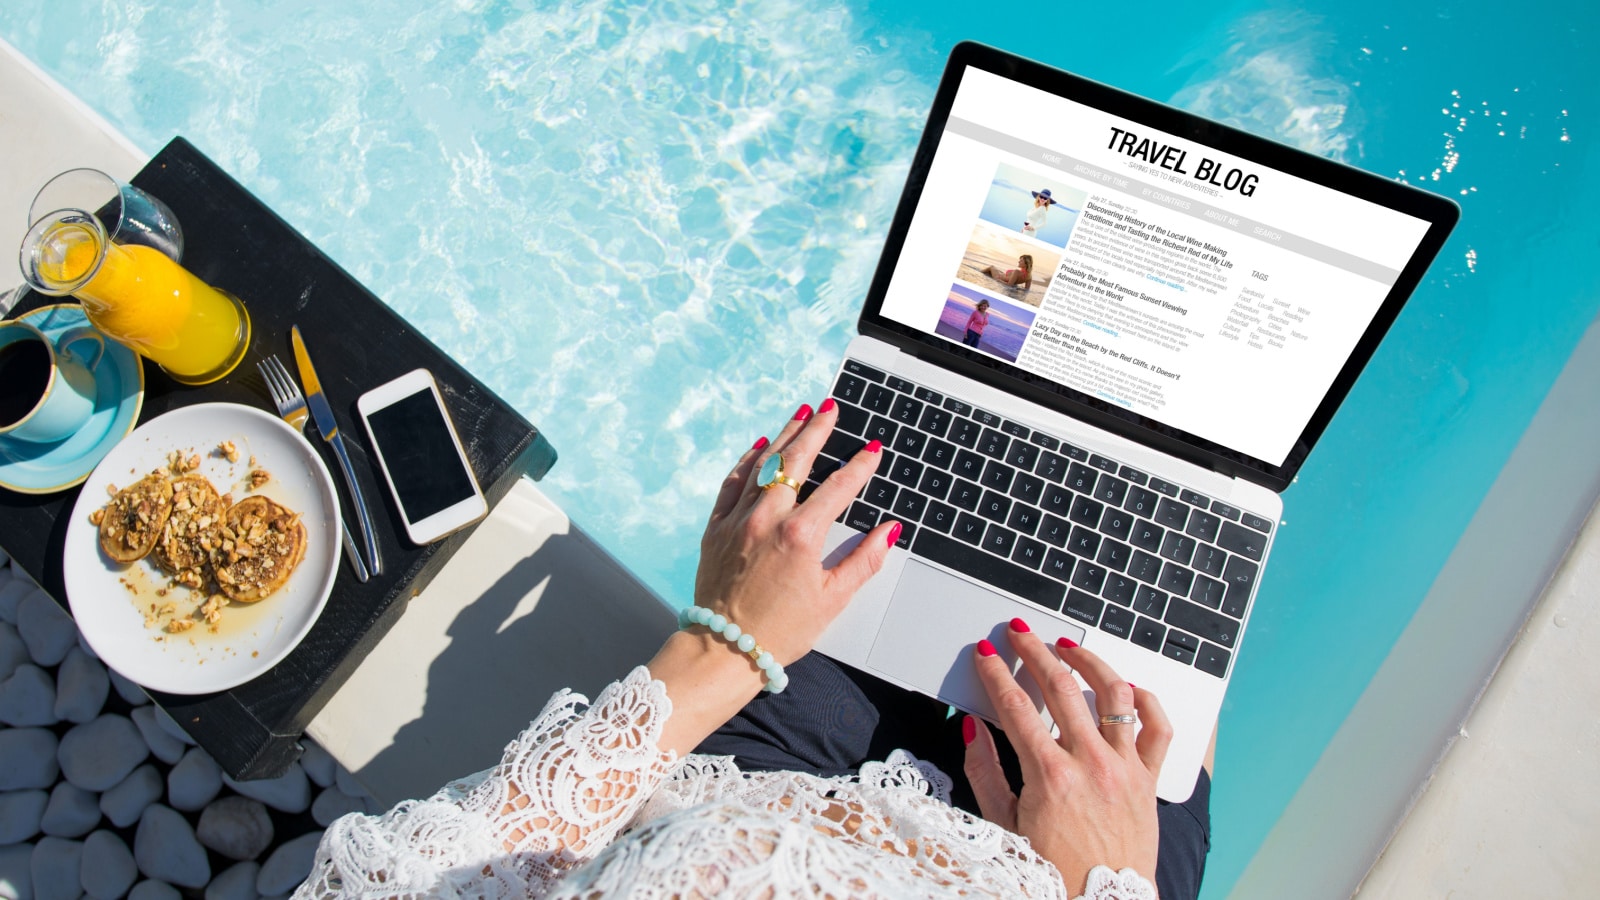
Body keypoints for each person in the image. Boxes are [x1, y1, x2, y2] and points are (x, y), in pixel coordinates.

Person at [294, 402, 1210, 900]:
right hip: (1068, 879)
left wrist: (724, 643)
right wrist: (1100, 886)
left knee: (832, 526)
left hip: (761, 792)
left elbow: (400, 884)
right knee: (1167, 631)